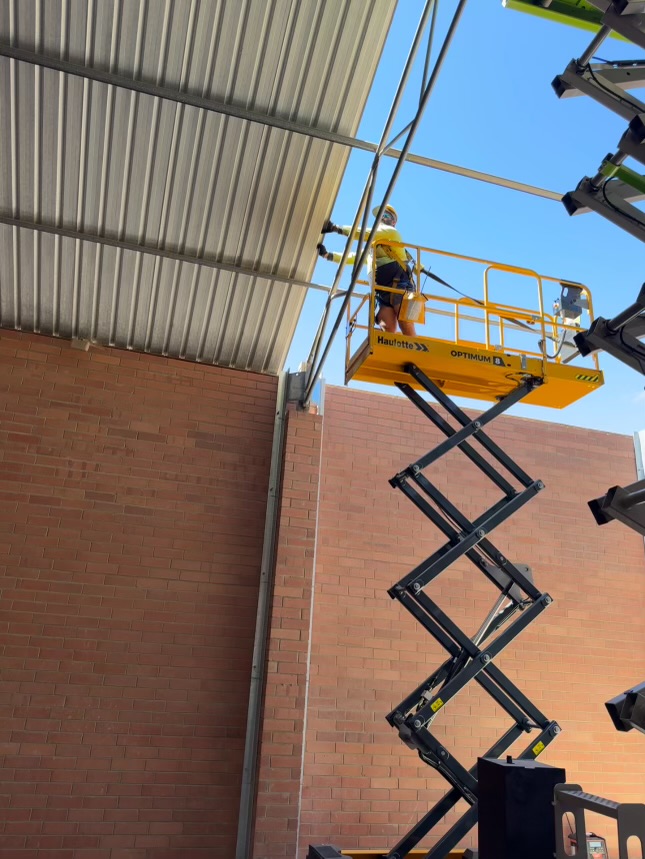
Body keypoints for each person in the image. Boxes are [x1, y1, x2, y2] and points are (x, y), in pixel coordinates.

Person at [317, 204, 417, 336]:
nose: (382, 218)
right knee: (388, 330)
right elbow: (354, 257)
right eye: (380, 216)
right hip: (383, 291)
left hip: (400, 286)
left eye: (386, 215)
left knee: (405, 322)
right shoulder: (373, 249)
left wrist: (337, 229)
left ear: (393, 222)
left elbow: (365, 233)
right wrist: (328, 256)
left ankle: (414, 353)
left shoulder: (392, 233)